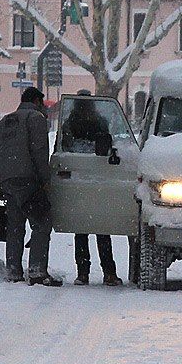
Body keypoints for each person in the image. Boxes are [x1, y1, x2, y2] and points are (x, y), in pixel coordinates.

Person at [0, 86, 59, 286]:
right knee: (42, 222)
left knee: (15, 226)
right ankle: (37, 271)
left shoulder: (4, 121)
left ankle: (13, 270)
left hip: (8, 180)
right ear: (37, 101)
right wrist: (45, 180)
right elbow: (39, 151)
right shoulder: (35, 119)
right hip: (28, 179)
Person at [64, 93, 122, 286]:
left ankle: (83, 273)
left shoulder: (69, 123)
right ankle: (109, 272)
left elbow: (65, 146)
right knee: (101, 227)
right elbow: (108, 146)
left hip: (79, 178)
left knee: (82, 229)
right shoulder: (99, 121)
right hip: (97, 178)